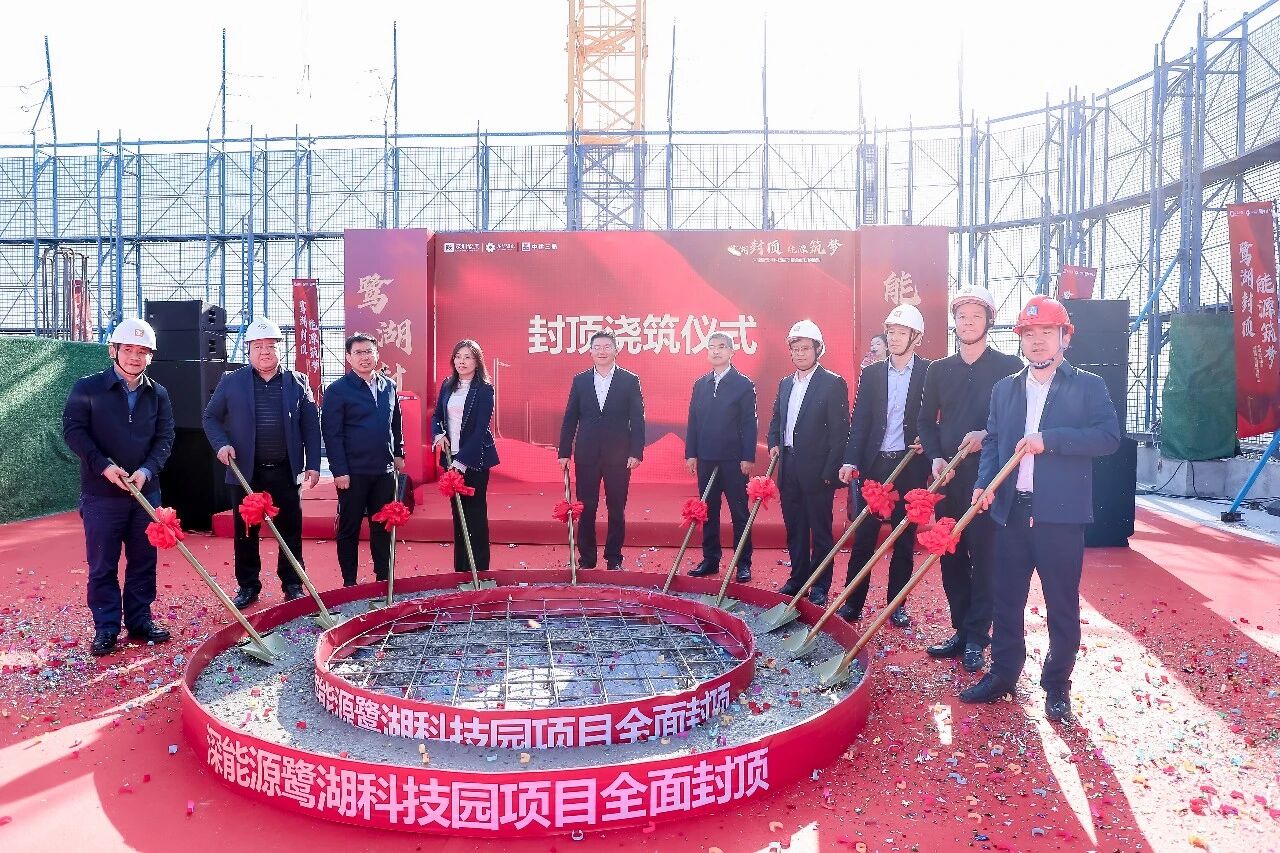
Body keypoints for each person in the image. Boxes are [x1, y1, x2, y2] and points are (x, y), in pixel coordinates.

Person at [960, 295, 1120, 723]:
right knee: (1006, 600)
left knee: (1061, 605)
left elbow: (1108, 437)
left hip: (1060, 517)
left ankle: (1057, 685)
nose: (1037, 341)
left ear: (1065, 337)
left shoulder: (1088, 386)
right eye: (1029, 333)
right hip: (1010, 512)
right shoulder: (1005, 389)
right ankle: (1003, 674)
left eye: (1047, 332)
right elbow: (994, 442)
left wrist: (1050, 440)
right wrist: (983, 484)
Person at [917, 285, 1023, 672]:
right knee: (951, 555)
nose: (968, 322)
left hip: (989, 479)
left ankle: (979, 636)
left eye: (976, 316)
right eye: (962, 316)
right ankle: (961, 631)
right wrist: (936, 456)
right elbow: (926, 422)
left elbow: (1017, 420)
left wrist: (986, 434)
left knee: (985, 555)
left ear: (989, 321)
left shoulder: (1009, 366)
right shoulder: (938, 370)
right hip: (948, 477)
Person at [62, 318, 175, 656]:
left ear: (150, 356)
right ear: (114, 350)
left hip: (145, 494)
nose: (134, 357)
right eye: (128, 350)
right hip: (101, 495)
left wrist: (147, 470)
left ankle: (139, 622)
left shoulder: (159, 394)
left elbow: (165, 438)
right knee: (102, 565)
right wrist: (104, 466)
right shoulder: (87, 388)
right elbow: (74, 431)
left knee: (144, 561)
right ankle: (107, 628)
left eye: (142, 351)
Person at [202, 318, 322, 608]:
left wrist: (314, 463)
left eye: (270, 346)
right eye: (258, 346)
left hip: (285, 470)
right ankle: (248, 586)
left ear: (280, 349)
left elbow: (310, 426)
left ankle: (292, 584)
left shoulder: (298, 382)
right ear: (248, 350)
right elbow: (210, 417)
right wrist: (221, 444)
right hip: (246, 472)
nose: (265, 351)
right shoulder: (232, 381)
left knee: (290, 530)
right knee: (246, 532)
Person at [838, 304, 931, 626]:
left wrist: (929, 441)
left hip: (911, 465)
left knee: (904, 538)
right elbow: (860, 421)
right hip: (876, 465)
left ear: (915, 337)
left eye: (901, 333)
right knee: (864, 536)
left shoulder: (929, 372)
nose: (893, 338)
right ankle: (852, 603)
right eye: (890, 332)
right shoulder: (872, 373)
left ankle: (896, 606)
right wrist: (850, 459)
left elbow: (941, 417)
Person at [767, 320, 849, 607]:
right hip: (788, 466)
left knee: (821, 531)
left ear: (817, 350)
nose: (800, 354)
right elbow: (777, 419)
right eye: (796, 349)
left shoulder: (832, 383)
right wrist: (774, 441)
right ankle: (798, 579)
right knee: (795, 528)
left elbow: (840, 432)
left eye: (805, 348)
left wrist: (830, 471)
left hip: (818, 471)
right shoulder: (785, 383)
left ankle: (820, 585)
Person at [557, 330, 646, 570]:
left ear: (616, 350)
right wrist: (564, 451)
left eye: (607, 347)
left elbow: (638, 419)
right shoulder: (580, 381)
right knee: (586, 507)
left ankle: (614, 558)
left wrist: (636, 452)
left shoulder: (629, 380)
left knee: (616, 508)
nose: (602, 351)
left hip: (619, 455)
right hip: (587, 454)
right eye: (597, 347)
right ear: (590, 352)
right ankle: (587, 559)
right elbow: (570, 418)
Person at [322, 333, 405, 586]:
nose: (364, 357)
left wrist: (399, 453)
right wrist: (339, 470)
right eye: (358, 352)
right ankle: (349, 583)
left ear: (377, 354)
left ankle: (384, 580)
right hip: (352, 473)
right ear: (348, 357)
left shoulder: (388, 386)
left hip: (384, 471)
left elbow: (395, 423)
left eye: (368, 351)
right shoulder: (337, 391)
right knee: (349, 529)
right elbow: (332, 434)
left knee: (383, 526)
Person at [684, 331, 758, 583]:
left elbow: (749, 423)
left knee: (739, 512)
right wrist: (691, 453)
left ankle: (743, 563)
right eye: (712, 347)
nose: (716, 351)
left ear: (731, 352)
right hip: (706, 457)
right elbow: (693, 421)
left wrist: (747, 456)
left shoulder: (743, 384)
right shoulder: (700, 384)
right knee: (708, 510)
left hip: (733, 459)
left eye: (721, 347)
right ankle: (710, 559)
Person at [431, 339, 500, 573]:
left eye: (467, 357)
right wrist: (438, 434)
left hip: (474, 461)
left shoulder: (484, 389)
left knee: (475, 514)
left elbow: (480, 430)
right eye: (458, 356)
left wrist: (460, 464)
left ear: (477, 361)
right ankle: (461, 570)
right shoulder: (447, 385)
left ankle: (479, 570)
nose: (462, 361)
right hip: (450, 459)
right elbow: (437, 416)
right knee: (458, 515)